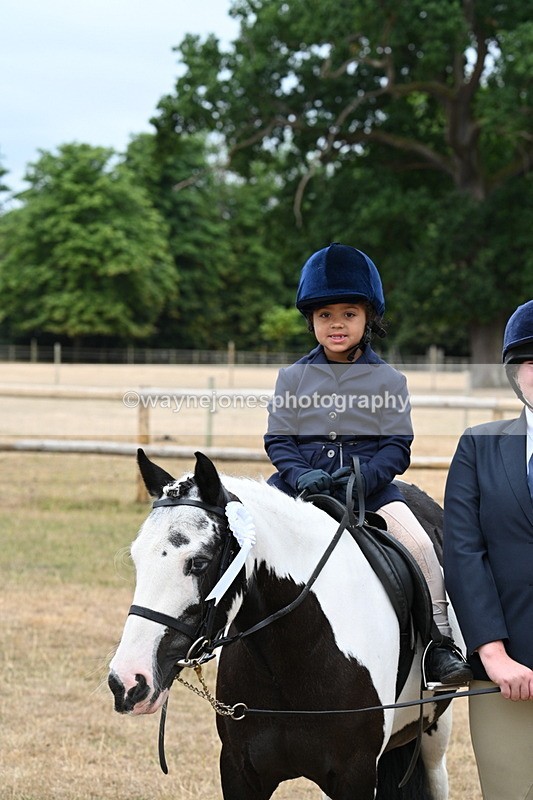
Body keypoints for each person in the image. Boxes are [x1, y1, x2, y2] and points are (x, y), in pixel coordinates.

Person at [264, 242, 472, 686]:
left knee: (421, 550)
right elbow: (278, 439)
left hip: (372, 493)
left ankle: (438, 645)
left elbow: (398, 446)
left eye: (348, 314)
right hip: (299, 489)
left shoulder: (388, 380)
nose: (336, 324)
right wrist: (301, 474)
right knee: (241, 535)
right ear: (311, 321)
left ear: (368, 318)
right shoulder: (292, 378)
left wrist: (365, 476)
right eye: (325, 315)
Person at [443, 299, 533, 800]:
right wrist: (494, 654)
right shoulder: (477, 448)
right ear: (514, 374)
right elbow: (464, 553)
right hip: (506, 675)